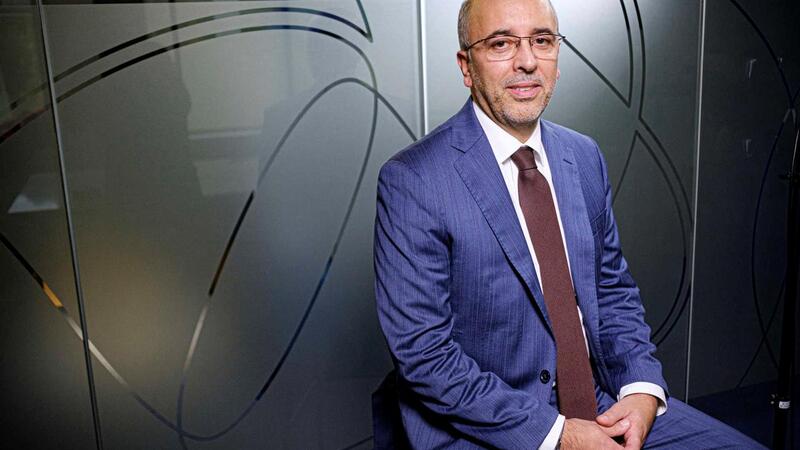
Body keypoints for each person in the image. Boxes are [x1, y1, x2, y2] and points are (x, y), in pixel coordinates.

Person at [372, 0, 766, 448]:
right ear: (466, 66)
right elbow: (425, 355)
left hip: (599, 401)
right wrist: (559, 435)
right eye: (501, 44)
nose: (527, 61)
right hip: (486, 423)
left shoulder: (582, 155)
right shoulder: (414, 180)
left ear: (557, 58)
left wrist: (641, 390)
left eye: (542, 41)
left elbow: (612, 291)